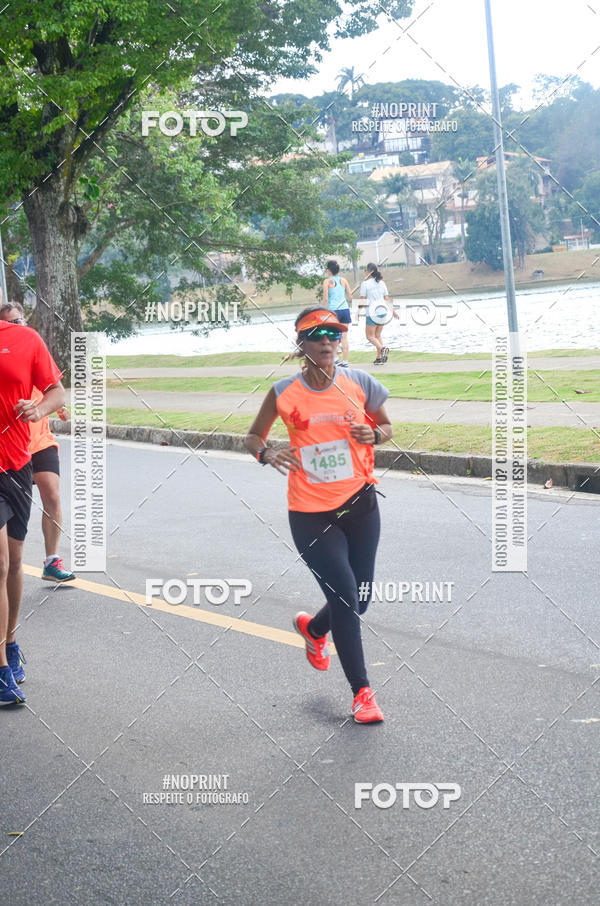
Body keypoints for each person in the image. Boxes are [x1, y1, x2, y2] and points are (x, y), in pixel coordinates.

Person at [245, 307, 393, 723]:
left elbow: (387, 427)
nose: (327, 341)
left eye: (334, 333)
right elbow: (253, 436)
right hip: (309, 512)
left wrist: (375, 434)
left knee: (359, 599)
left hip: (360, 504)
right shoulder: (283, 392)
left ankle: (314, 629)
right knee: (346, 594)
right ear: (301, 344)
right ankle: (362, 693)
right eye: (317, 334)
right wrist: (267, 452)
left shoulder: (359, 382)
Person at [0, 307, 65, 704]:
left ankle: (10, 641)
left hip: (16, 464)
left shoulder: (25, 339)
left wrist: (37, 410)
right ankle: (1, 670)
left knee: (14, 563)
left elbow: (56, 389)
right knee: (0, 562)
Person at [0, 304, 75, 582]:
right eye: (10, 322)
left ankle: (52, 560)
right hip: (11, 449)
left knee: (52, 495)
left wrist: (50, 409)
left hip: (39, 441)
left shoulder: (30, 347)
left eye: (19, 320)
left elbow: (54, 392)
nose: (16, 325)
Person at [359, 263, 399, 364]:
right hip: (382, 312)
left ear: (369, 272)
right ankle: (379, 358)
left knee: (369, 336)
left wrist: (358, 311)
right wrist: (393, 311)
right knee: (377, 335)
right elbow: (387, 299)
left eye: (365, 270)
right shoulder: (381, 283)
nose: (364, 272)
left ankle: (382, 349)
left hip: (372, 312)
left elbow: (362, 300)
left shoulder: (365, 284)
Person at [322, 260, 352, 367]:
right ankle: (345, 362)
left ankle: (336, 359)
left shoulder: (327, 282)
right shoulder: (343, 280)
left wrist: (323, 309)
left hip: (333, 311)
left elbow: (325, 298)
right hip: (344, 310)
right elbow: (350, 296)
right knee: (344, 336)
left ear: (329, 270)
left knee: (331, 335)